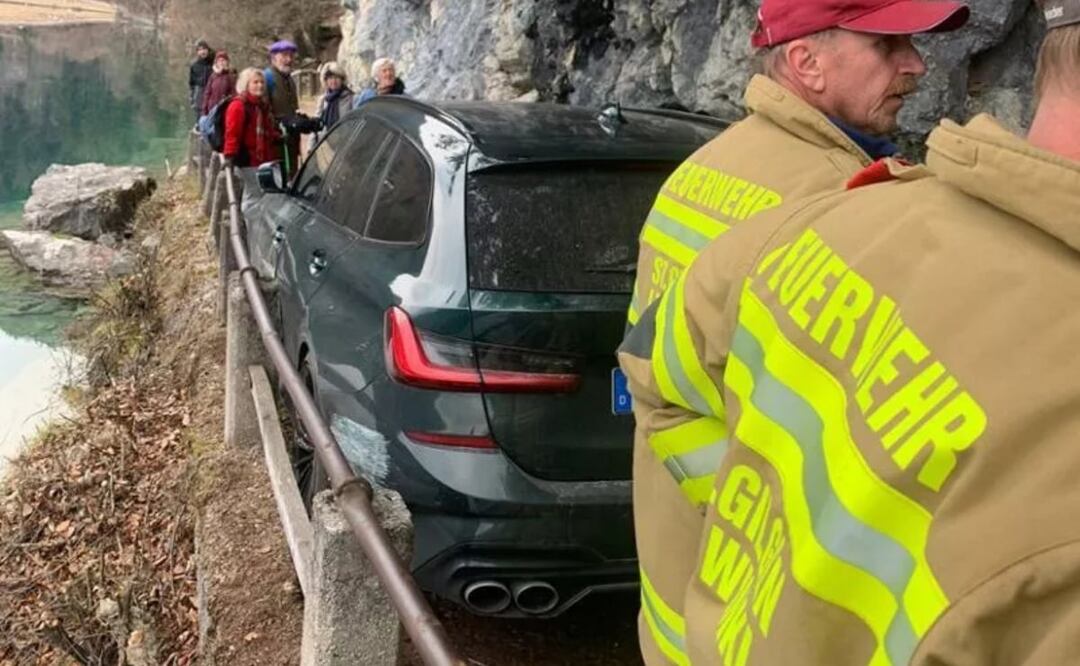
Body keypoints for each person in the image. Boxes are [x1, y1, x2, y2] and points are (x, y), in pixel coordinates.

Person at [619, 0, 1080, 663]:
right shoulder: (835, 202)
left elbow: (650, 367)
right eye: (887, 47)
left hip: (688, 598)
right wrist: (765, 514)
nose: (916, 66)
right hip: (750, 616)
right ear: (806, 61)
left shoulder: (707, 166)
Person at [222, 68, 281, 169]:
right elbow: (232, 133)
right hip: (247, 161)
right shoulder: (238, 105)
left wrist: (277, 136)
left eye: (262, 82)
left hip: (264, 160)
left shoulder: (262, 106)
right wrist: (230, 155)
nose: (260, 85)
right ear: (246, 85)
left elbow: (267, 130)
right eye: (255, 82)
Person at [264, 40, 303, 177]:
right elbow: (263, 111)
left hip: (291, 138)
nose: (289, 60)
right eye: (284, 55)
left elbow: (293, 107)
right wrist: (278, 124)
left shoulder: (289, 79)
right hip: (276, 140)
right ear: (274, 57)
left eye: (291, 56)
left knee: (293, 175)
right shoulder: (267, 78)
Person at [313, 61, 354, 143]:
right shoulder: (323, 100)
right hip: (325, 144)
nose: (334, 81)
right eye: (330, 78)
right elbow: (315, 124)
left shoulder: (351, 98)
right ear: (326, 80)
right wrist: (310, 148)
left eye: (337, 78)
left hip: (345, 144)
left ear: (342, 79)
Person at [200, 51, 236, 117]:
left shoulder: (230, 76)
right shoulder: (213, 76)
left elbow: (234, 93)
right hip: (211, 108)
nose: (221, 62)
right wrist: (204, 110)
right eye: (219, 61)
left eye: (223, 60)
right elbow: (207, 93)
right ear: (216, 63)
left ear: (227, 62)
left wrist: (227, 100)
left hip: (224, 109)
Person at [188, 39, 214, 124]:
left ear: (208, 50)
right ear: (197, 52)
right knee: (200, 121)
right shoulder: (194, 65)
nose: (202, 52)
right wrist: (192, 99)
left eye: (204, 49)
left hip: (212, 95)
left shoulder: (214, 63)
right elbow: (192, 84)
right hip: (199, 96)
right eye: (200, 49)